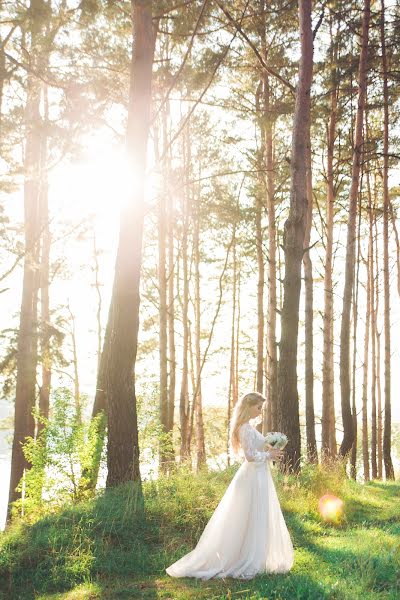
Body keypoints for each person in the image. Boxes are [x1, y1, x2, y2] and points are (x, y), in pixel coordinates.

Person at [165, 391, 294, 580]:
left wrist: (270, 448)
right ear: (248, 407)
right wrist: (269, 455)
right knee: (246, 515)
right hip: (252, 476)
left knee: (256, 515)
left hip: (259, 475)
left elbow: (255, 449)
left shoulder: (249, 427)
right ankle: (242, 558)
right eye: (258, 407)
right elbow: (249, 457)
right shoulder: (244, 428)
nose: (260, 411)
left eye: (261, 408)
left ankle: (257, 555)